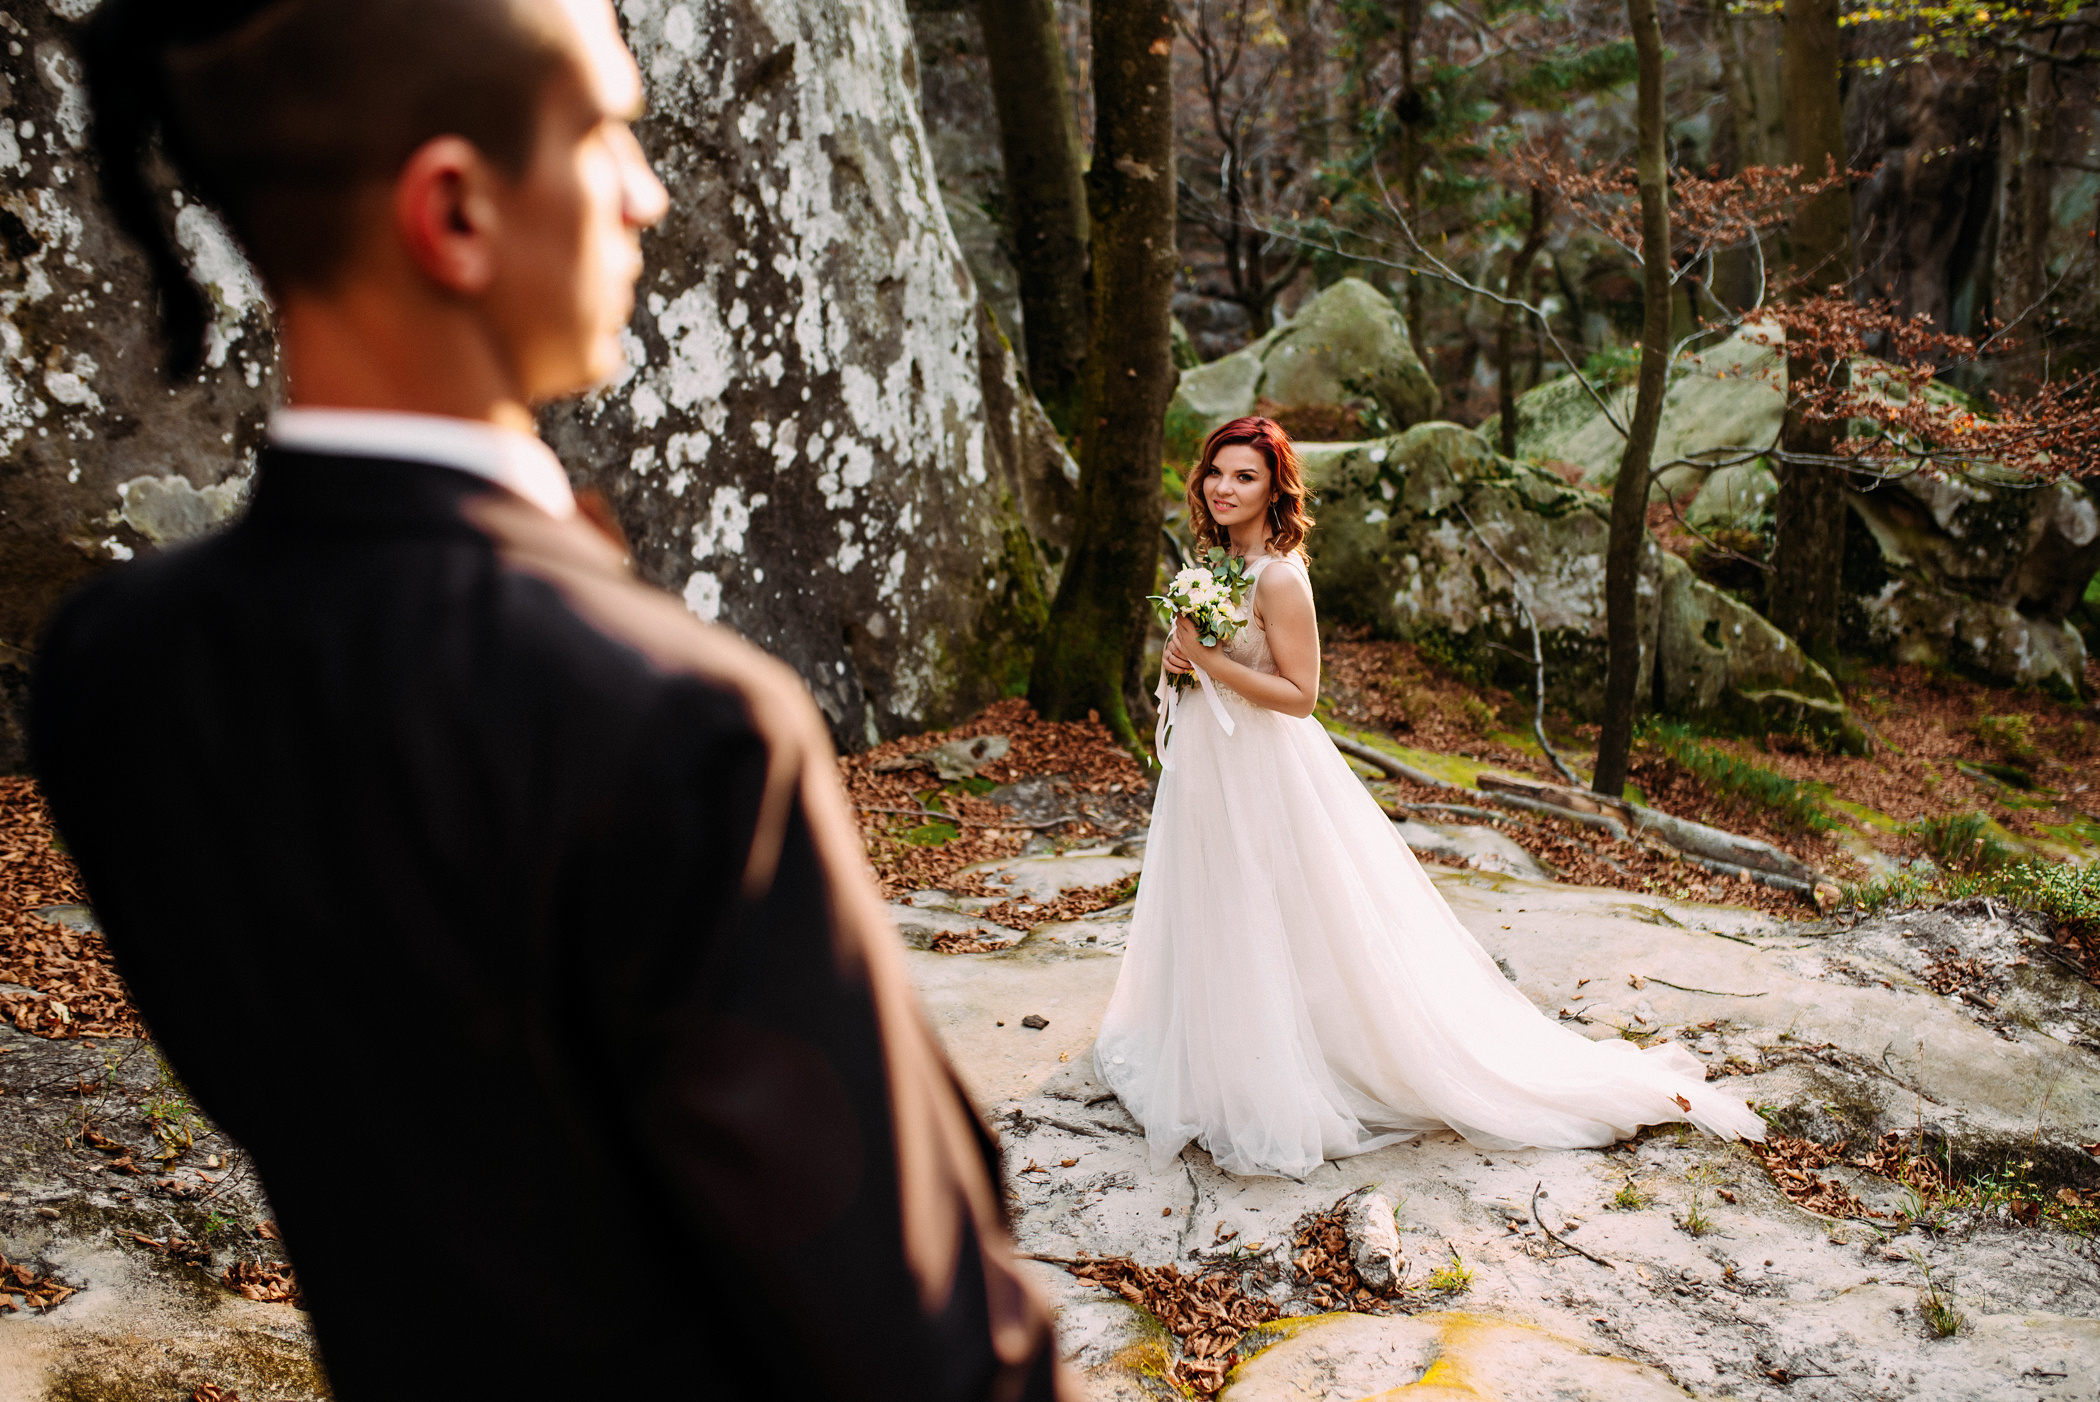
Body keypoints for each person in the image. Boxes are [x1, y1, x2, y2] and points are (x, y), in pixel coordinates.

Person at [30, 2, 1065, 1396]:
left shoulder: (114, 669)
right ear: (453, 211)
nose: (649, 190)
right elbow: (924, 1345)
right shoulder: (676, 722)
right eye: (604, 131)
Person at [1094, 417, 1766, 1180]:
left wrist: (1211, 661)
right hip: (1213, 764)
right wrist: (1182, 660)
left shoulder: (1279, 576)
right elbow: (1210, 665)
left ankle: (1280, 1072)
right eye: (1217, 471)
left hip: (1265, 765)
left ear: (1274, 488)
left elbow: (1300, 695)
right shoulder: (1214, 563)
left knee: (1271, 902)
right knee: (1217, 901)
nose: (1224, 487)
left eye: (1245, 476)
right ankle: (1213, 1048)